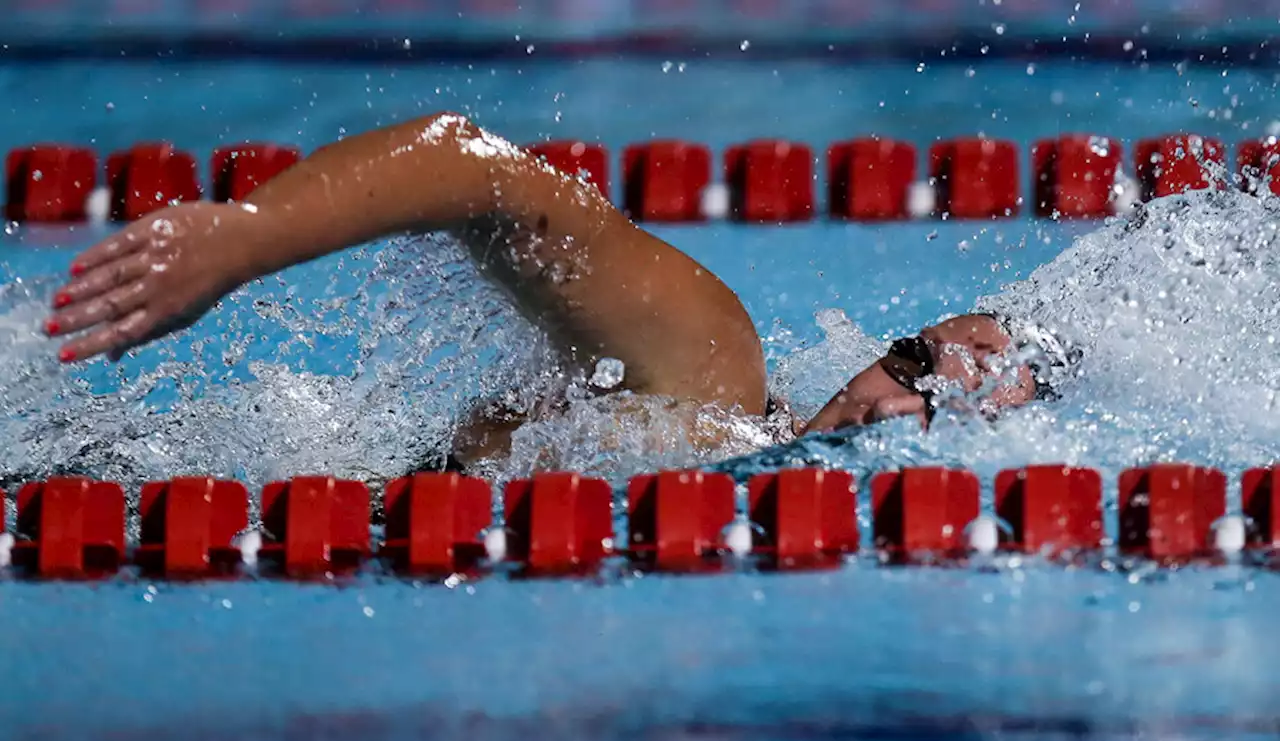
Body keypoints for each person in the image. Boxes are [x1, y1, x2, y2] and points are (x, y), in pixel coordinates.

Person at [41, 113, 1073, 466]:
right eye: (906, 360)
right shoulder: (709, 375)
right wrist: (249, 238)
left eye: (939, 403)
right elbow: (479, 170)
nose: (889, 400)